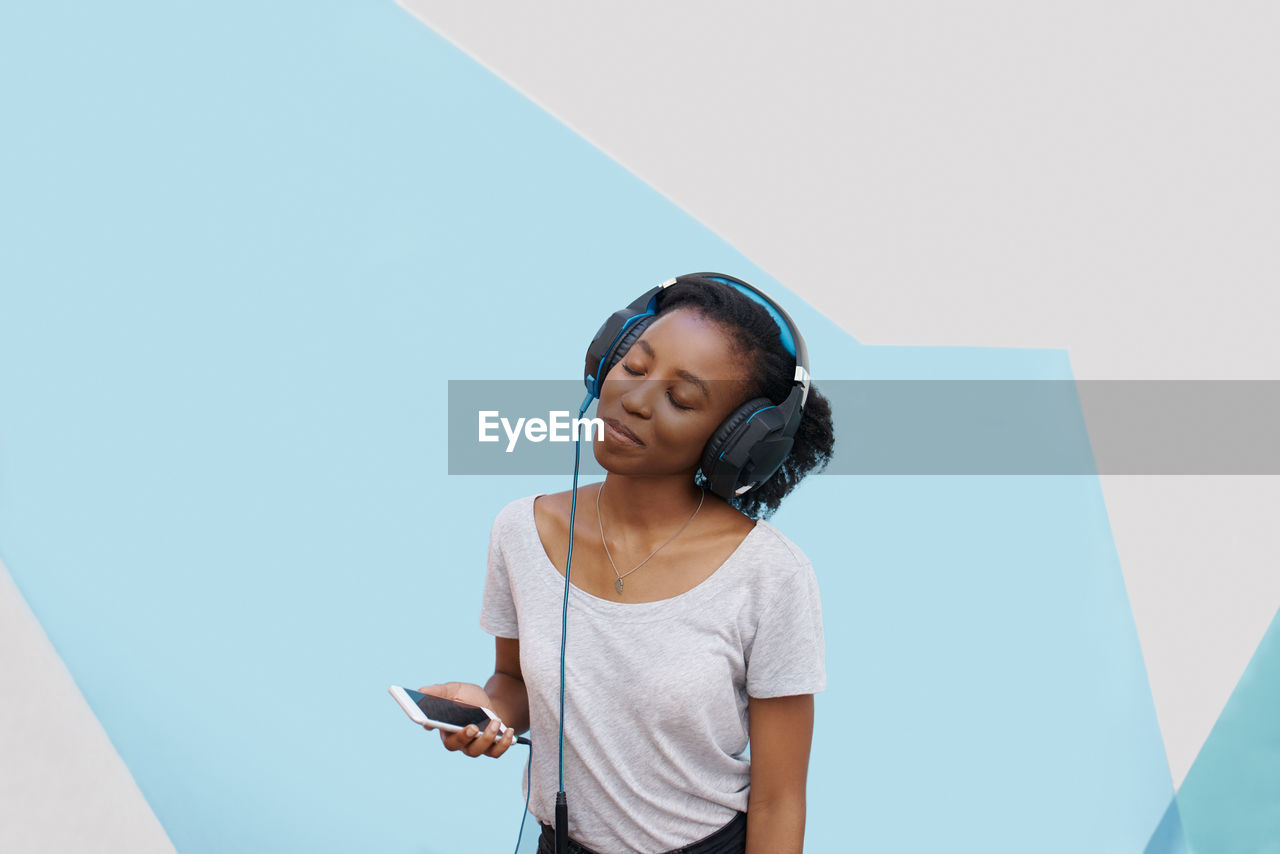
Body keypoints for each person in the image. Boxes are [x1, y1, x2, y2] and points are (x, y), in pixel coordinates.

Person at [420, 274, 835, 853]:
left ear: (736, 442)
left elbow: (778, 798)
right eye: (634, 368)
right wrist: (485, 710)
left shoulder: (771, 575)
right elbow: (514, 682)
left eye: (682, 398)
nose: (634, 400)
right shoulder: (521, 530)